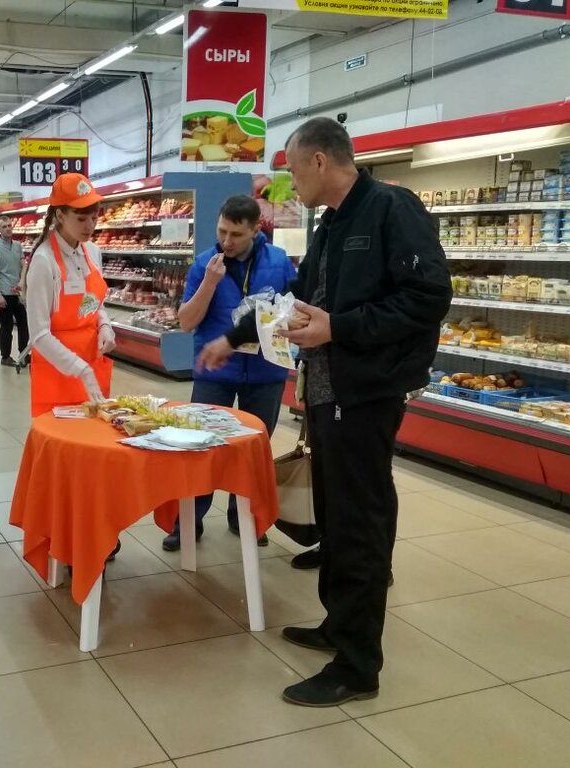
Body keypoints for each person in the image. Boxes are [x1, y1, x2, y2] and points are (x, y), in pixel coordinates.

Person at [199, 117, 451, 707]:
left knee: (360, 521)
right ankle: (339, 625)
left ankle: (358, 666)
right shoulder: (333, 223)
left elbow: (428, 297)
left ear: (319, 161)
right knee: (336, 514)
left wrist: (341, 327)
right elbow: (292, 301)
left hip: (367, 393)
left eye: (292, 169)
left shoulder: (391, 209)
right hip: (327, 393)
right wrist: (233, 336)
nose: (289, 183)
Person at [162, 195, 296, 553]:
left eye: (236, 234)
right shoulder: (204, 264)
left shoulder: (279, 262)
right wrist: (209, 282)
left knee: (253, 451)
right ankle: (188, 522)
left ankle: (245, 518)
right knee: (200, 448)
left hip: (265, 373)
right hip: (215, 371)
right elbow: (186, 322)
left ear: (255, 229)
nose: (226, 241)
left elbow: (295, 308)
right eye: (222, 231)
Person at [25, 173, 120, 559]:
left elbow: (95, 303)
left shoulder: (92, 251)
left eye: (94, 216)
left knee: (95, 456)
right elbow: (39, 335)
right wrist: (79, 368)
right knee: (62, 462)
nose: (90, 224)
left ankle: (97, 532)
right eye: (81, 217)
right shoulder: (43, 262)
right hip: (59, 375)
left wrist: (105, 324)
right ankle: (61, 537)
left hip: (93, 371)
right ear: (59, 215)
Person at [0, 214, 30, 367]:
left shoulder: (18, 246)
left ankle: (23, 354)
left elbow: (24, 265)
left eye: (9, 226)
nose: (8, 229)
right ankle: (5, 356)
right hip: (5, 292)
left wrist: (22, 281)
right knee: (6, 327)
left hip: (18, 292)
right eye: (4, 227)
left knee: (24, 324)